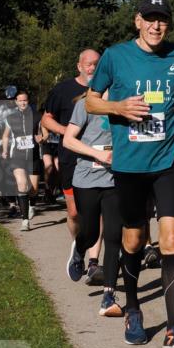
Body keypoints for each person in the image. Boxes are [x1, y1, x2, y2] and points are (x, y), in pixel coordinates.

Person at [86, 0, 174, 348]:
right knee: (133, 241)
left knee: (171, 239)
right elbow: (90, 100)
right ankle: (133, 309)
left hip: (171, 158)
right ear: (137, 21)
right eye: (149, 18)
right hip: (130, 164)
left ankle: (173, 330)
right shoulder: (115, 56)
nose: (156, 25)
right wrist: (117, 106)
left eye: (162, 19)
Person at [43, 49, 104, 283]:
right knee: (75, 212)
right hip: (71, 158)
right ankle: (79, 245)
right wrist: (65, 132)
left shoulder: (107, 91)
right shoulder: (63, 90)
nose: (92, 68)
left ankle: (94, 262)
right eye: (88, 64)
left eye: (96, 64)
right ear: (79, 66)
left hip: (99, 159)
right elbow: (47, 118)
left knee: (96, 209)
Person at [62, 93, 125, 317]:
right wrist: (98, 153)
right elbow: (68, 140)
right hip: (87, 179)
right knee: (90, 233)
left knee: (113, 235)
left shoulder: (125, 103)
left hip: (115, 180)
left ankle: (109, 295)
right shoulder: (85, 105)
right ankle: (80, 248)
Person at [1, 91, 42, 231]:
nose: (23, 102)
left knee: (34, 189)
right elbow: (6, 136)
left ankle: (32, 205)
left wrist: (42, 137)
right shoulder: (11, 117)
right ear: (16, 102)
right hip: (17, 155)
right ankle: (25, 221)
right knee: (22, 184)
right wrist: (5, 150)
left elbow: (45, 132)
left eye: (25, 100)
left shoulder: (37, 115)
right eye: (20, 100)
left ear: (28, 101)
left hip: (33, 156)